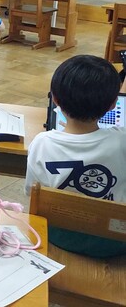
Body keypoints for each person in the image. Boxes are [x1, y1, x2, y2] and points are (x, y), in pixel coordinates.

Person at [25, 55, 126, 258]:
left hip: (59, 235)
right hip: (115, 240)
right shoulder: (121, 140)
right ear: (113, 105)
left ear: (55, 99)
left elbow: (31, 193)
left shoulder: (42, 143)